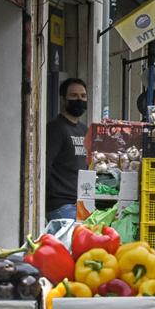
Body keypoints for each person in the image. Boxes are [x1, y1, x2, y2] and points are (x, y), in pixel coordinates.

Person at [45, 78, 90, 222]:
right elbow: (46, 166)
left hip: (81, 203)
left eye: (83, 96)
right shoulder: (55, 129)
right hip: (61, 205)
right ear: (63, 99)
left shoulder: (84, 130)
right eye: (74, 96)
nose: (79, 100)